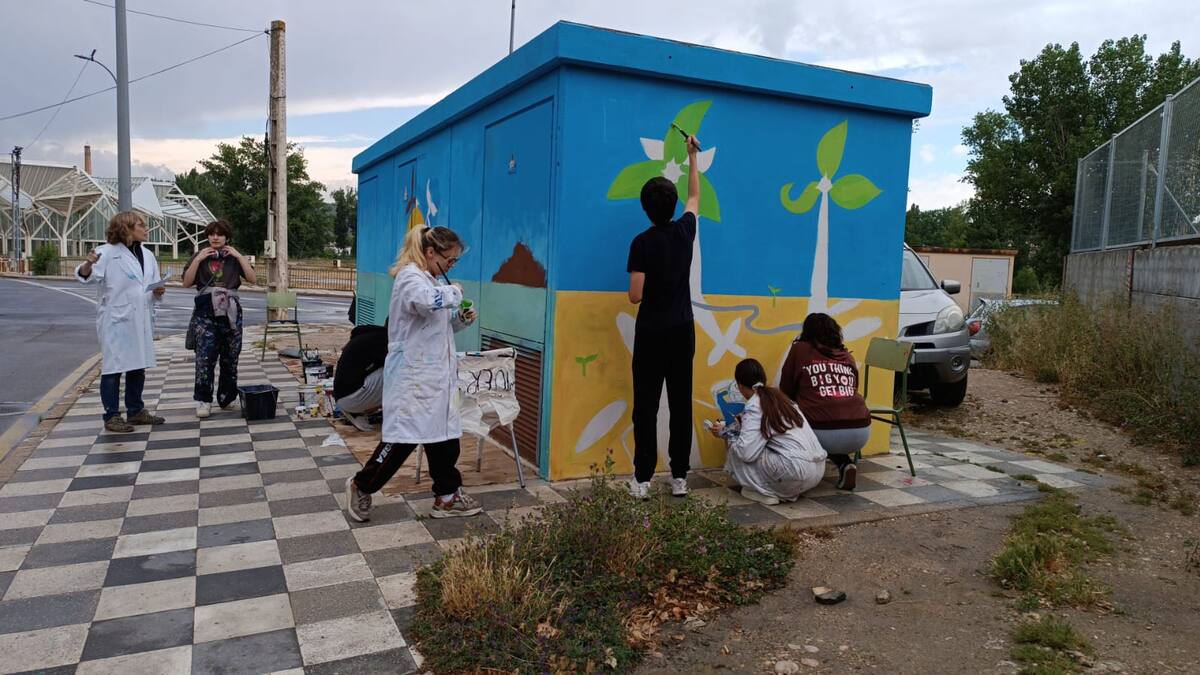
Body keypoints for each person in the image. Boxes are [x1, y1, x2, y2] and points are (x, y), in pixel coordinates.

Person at [344, 225, 481, 522]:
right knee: (402, 440)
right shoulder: (410, 278)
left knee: (445, 437)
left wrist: (460, 319)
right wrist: (454, 291)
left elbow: (436, 324)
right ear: (431, 252)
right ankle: (361, 485)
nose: (451, 266)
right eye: (449, 260)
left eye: (455, 262)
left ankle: (447, 496)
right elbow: (425, 302)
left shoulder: (429, 280)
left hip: (436, 377)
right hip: (413, 379)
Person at [626, 133, 702, 499]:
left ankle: (642, 479)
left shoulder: (641, 243)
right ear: (672, 207)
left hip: (652, 333)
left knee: (647, 404)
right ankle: (679, 477)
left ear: (645, 208)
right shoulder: (686, 232)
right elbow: (695, 197)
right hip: (683, 331)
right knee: (680, 402)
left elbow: (635, 295)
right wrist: (692, 157)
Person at [74, 211, 167, 433]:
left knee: (138, 365)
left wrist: (159, 291)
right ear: (126, 228)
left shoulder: (148, 254)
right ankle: (112, 415)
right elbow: (85, 276)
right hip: (116, 320)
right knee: (113, 368)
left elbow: (152, 284)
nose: (146, 229)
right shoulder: (106, 253)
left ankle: (135, 410)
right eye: (141, 225)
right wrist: (88, 264)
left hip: (141, 318)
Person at [707, 359, 827, 505]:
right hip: (817, 471)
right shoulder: (782, 399)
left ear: (739, 385)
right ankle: (784, 490)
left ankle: (763, 492)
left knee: (737, 447)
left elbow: (746, 453)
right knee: (752, 445)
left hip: (795, 472)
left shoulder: (755, 404)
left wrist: (724, 433)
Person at [780, 313, 872, 491]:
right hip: (861, 429)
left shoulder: (800, 349)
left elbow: (786, 388)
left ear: (807, 332)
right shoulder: (847, 356)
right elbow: (853, 387)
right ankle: (845, 463)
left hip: (823, 430)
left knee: (791, 411)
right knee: (827, 418)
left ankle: (802, 469)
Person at [182, 220, 256, 418]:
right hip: (206, 310)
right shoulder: (200, 256)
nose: (215, 237)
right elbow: (186, 282)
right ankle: (204, 400)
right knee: (205, 357)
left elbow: (253, 279)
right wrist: (198, 260)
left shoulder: (233, 258)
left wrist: (239, 256)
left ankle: (227, 397)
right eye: (212, 234)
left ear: (227, 238)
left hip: (230, 311)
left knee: (231, 357)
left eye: (220, 234)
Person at [333, 321, 387, 432]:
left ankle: (358, 412)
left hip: (344, 396)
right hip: (352, 397)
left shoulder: (371, 336)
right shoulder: (382, 340)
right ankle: (398, 418)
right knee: (401, 372)